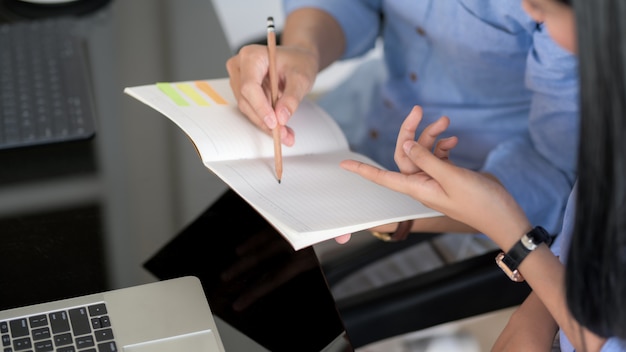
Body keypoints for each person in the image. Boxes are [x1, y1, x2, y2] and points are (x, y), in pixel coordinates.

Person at [340, 0, 626, 349]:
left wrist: (512, 233)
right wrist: (535, 313)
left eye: (543, 9)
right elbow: (580, 241)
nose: (530, 13)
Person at [226, 1, 579, 245]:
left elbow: (558, 168)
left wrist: (402, 216)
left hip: (468, 206)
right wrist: (304, 49)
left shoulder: (574, 19)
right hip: (353, 114)